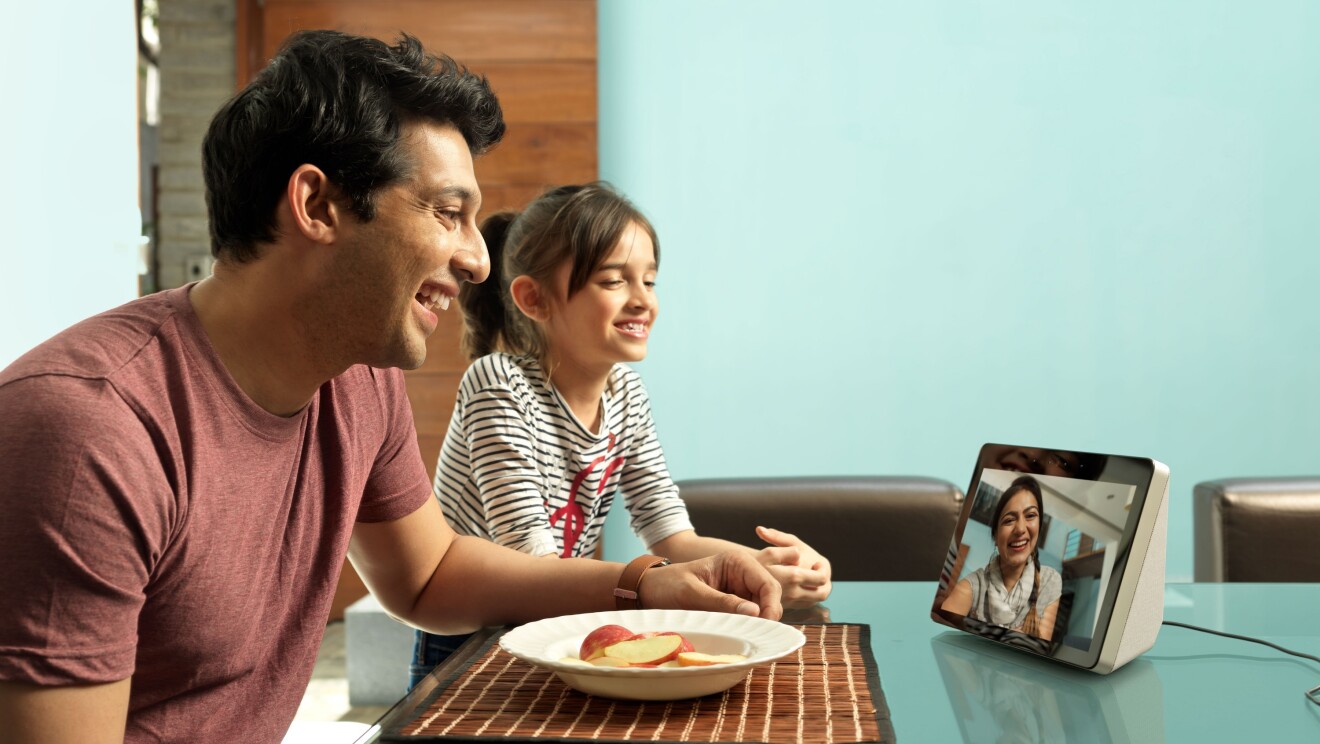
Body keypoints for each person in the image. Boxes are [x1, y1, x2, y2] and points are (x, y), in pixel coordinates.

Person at [0, 31, 784, 744]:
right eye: (449, 213)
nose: (479, 259)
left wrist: (640, 582)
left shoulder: (358, 380)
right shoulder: (85, 430)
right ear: (317, 205)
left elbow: (430, 575)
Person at [411, 182, 832, 684]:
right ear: (535, 299)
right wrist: (661, 582)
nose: (642, 301)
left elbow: (673, 537)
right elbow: (530, 559)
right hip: (472, 635)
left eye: (650, 282)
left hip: (553, 622)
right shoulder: (498, 386)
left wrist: (760, 566)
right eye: (613, 282)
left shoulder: (626, 394)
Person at [940, 475, 1062, 640]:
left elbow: (1040, 649)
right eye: (1009, 520)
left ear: (1039, 527)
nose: (1020, 528)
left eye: (1030, 515)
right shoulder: (972, 585)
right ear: (996, 537)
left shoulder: (1050, 581)